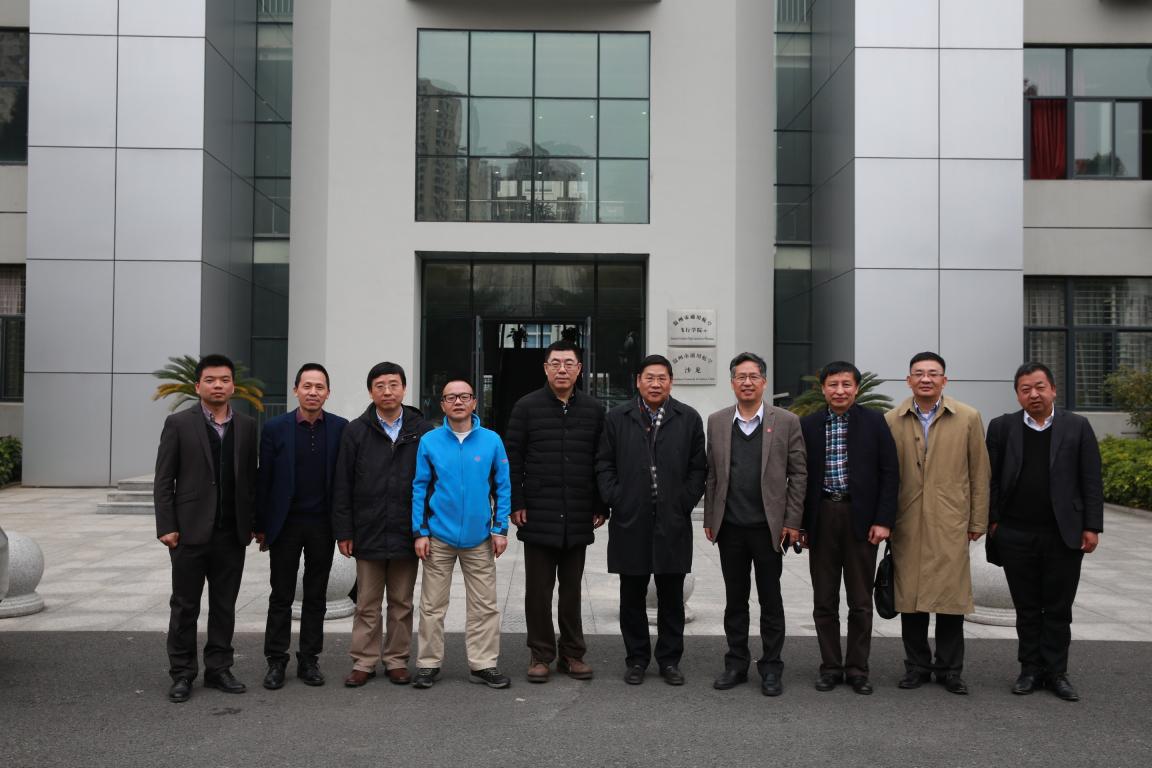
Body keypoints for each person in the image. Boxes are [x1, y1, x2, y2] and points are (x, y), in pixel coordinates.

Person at [986, 362, 1102, 702]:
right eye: (1025, 389)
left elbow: (1091, 479)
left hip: (1063, 534)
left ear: (1053, 389)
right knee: (1026, 607)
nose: (1033, 394)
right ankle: (1029, 669)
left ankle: (1056, 672)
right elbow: (990, 479)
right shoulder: (1002, 427)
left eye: (1039, 387)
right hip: (1016, 533)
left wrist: (1092, 526)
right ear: (1017, 395)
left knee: (1058, 608)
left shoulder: (1077, 426)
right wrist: (993, 521)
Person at [597, 354, 706, 686]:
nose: (655, 384)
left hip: (673, 519)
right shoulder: (617, 417)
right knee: (631, 594)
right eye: (649, 378)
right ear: (638, 381)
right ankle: (637, 659)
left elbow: (698, 468)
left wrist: (684, 502)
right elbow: (603, 464)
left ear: (671, 381)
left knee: (672, 595)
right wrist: (618, 498)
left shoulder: (687, 418)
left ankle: (669, 660)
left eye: (662, 378)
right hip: (631, 518)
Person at [154, 353, 257, 703]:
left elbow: (250, 480)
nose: (218, 386)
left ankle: (219, 668)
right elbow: (163, 479)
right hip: (189, 532)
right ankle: (182, 673)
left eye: (224, 380)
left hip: (231, 533)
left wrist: (253, 523)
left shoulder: (247, 426)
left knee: (224, 605)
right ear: (198, 386)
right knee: (185, 606)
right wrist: (166, 525)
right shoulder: (178, 424)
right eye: (211, 380)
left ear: (233, 386)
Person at [885, 352, 989, 695]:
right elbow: (885, 476)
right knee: (910, 598)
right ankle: (916, 666)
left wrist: (978, 519)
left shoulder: (968, 418)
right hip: (907, 520)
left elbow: (979, 473)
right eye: (919, 373)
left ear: (945, 380)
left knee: (951, 599)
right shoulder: (892, 420)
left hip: (950, 521)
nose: (926, 379)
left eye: (933, 373)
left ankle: (950, 669)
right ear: (908, 380)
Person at [503, 340, 606, 683]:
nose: (562, 369)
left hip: (578, 512)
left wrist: (600, 503)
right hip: (538, 513)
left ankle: (573, 654)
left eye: (569, 363)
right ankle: (540, 655)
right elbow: (512, 459)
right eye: (555, 363)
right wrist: (516, 502)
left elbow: (601, 460)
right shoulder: (526, 407)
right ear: (545, 368)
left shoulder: (593, 410)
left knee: (572, 591)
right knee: (538, 591)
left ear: (579, 369)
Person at [704, 352, 806, 696]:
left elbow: (799, 474)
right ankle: (736, 663)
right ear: (732, 382)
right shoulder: (717, 421)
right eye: (740, 377)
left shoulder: (787, 421)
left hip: (768, 529)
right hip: (730, 527)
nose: (747, 382)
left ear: (764, 382)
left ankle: (771, 667)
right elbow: (712, 475)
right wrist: (710, 517)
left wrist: (792, 521)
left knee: (770, 600)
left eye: (753, 377)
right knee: (735, 600)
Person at [799, 361, 898, 695]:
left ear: (856, 388)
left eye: (846, 384)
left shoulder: (875, 422)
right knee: (824, 599)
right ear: (823, 388)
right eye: (833, 384)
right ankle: (830, 667)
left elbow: (890, 473)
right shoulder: (809, 425)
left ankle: (857, 668)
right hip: (823, 515)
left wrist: (883, 520)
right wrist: (801, 524)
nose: (839, 391)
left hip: (862, 519)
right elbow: (799, 477)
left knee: (860, 600)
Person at [332, 362, 433, 687]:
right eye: (380, 386)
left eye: (393, 384)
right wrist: (344, 531)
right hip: (368, 529)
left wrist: (424, 529)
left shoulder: (422, 431)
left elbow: (432, 483)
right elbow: (342, 483)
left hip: (407, 531)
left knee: (402, 603)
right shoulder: (355, 431)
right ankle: (364, 661)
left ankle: (396, 660)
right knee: (367, 603)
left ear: (404, 388)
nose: (387, 391)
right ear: (370, 391)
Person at [410, 378, 513, 689]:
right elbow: (419, 487)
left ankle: (484, 664)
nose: (458, 402)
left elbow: (503, 487)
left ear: (474, 402)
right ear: (442, 404)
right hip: (438, 537)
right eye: (451, 397)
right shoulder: (430, 441)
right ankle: (428, 664)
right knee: (432, 606)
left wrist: (500, 528)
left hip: (479, 538)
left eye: (464, 396)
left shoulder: (492, 440)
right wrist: (420, 531)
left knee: (484, 606)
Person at [254, 363, 348, 689]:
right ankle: (276, 660)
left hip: (322, 524)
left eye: (319, 387)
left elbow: (344, 481)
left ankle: (309, 659)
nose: (313, 392)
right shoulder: (275, 428)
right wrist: (260, 525)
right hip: (285, 525)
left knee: (316, 595)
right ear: (295, 390)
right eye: (307, 386)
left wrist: (344, 528)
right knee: (281, 594)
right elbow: (264, 478)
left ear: (328, 392)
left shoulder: (340, 428)